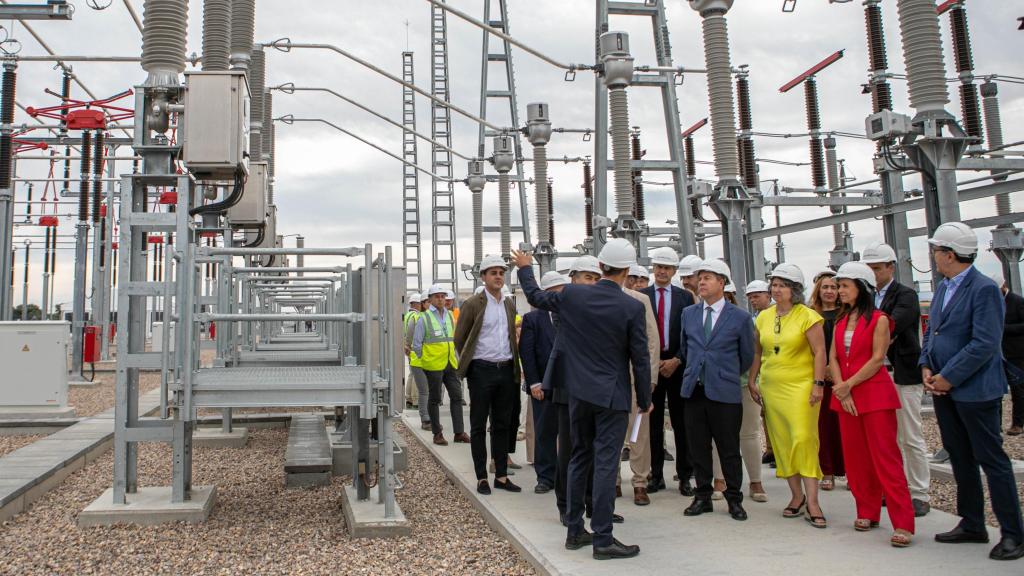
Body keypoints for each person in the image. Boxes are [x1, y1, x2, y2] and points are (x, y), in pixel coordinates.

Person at [513, 240, 653, 560]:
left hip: (578, 393)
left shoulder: (572, 295)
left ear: (600, 267)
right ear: (627, 271)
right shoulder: (632, 307)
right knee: (605, 464)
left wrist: (524, 267)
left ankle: (575, 530)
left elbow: (534, 296)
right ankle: (603, 538)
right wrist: (644, 398)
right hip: (613, 396)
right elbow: (640, 358)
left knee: (578, 458)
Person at [921, 222, 1024, 561]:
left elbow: (984, 343)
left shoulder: (982, 289)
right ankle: (972, 522)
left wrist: (948, 376)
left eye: (937, 250)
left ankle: (1013, 534)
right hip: (945, 390)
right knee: (960, 455)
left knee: (992, 459)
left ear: (949, 254)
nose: (934, 256)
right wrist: (927, 366)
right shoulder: (945, 287)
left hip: (975, 391)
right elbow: (932, 334)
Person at [830, 262, 915, 548]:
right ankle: (866, 510)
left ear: (862, 288)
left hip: (873, 395)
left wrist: (847, 385)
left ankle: (903, 522)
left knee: (885, 458)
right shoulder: (841, 322)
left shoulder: (879, 319)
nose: (839, 291)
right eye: (839, 285)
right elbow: (833, 358)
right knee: (856, 459)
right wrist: (842, 389)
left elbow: (877, 358)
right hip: (846, 397)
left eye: (845, 286)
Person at [749, 263, 829, 529]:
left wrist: (818, 384)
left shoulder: (808, 316)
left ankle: (814, 501)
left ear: (794, 290)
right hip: (772, 386)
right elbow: (758, 352)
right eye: (774, 285)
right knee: (782, 441)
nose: (776, 289)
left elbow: (820, 352)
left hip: (801, 386)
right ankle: (797, 497)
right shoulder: (763, 317)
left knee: (803, 439)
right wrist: (752, 379)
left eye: (782, 285)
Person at [676, 259, 754, 522]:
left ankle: (734, 498)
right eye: (700, 279)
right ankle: (703, 496)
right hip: (695, 390)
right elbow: (686, 349)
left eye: (707, 278)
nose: (701, 283)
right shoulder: (689, 314)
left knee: (729, 447)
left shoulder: (740, 317)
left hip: (724, 391)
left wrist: (723, 372)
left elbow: (746, 356)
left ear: (722, 282)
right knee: (698, 447)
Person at [546, 256, 617, 526]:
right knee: (570, 450)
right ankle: (566, 505)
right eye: (587, 278)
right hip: (569, 387)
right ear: (573, 280)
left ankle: (594, 505)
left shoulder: (600, 307)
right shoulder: (567, 307)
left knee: (597, 450)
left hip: (596, 389)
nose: (592, 283)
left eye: (596, 278)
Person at [862, 241, 931, 517]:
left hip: (902, 372)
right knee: (883, 436)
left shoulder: (906, 295)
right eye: (869, 268)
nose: (873, 273)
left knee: (909, 434)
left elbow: (893, 323)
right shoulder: (865, 297)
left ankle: (919, 492)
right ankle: (893, 488)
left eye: (877, 268)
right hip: (874, 374)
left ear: (891, 267)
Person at [453, 255, 522, 495]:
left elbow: (511, 337)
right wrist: (472, 363)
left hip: (505, 369)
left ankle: (501, 476)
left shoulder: (508, 304)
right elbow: (459, 339)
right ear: (483, 277)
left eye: (501, 273)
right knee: (479, 425)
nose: (498, 277)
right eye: (493, 273)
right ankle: (482, 477)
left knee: (502, 424)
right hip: (481, 370)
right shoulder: (473, 304)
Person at [642, 247, 696, 496]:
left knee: (681, 423)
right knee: (652, 424)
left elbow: (691, 335)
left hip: (677, 365)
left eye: (667, 267)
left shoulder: (685, 298)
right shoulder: (642, 296)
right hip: (652, 366)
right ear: (653, 269)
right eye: (658, 267)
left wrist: (677, 359)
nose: (662, 271)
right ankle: (655, 475)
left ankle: (685, 476)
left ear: (674, 271)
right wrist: (653, 363)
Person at [711, 285, 768, 503]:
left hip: (743, 384)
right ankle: (719, 479)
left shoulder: (743, 320)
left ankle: (755, 481)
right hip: (717, 385)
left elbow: (753, 352)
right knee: (718, 436)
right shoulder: (705, 320)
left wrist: (751, 379)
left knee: (749, 432)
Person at [521, 271, 567, 493]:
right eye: (554, 292)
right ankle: (546, 477)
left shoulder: (571, 315)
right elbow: (527, 354)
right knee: (545, 432)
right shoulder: (533, 320)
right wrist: (534, 383)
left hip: (568, 385)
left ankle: (565, 476)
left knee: (568, 432)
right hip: (543, 388)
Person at [619, 268, 661, 506]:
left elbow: (651, 341)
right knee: (610, 430)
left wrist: (650, 377)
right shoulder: (599, 299)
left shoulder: (640, 300)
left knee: (639, 431)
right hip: (610, 378)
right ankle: (613, 480)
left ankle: (640, 482)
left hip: (636, 377)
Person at [412, 284, 469, 447]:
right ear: (429, 300)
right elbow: (417, 344)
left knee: (457, 396)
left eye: (443, 296)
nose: (441, 299)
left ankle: (459, 432)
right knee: (435, 398)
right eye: (437, 296)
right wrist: (426, 360)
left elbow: (453, 339)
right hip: (433, 365)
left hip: (450, 363)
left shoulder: (450, 316)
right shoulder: (424, 318)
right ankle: (437, 433)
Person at [810, 269, 845, 492]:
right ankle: (827, 471)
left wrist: (836, 369)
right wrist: (822, 371)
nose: (830, 291)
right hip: (819, 378)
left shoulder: (847, 315)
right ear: (818, 291)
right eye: (825, 287)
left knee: (845, 426)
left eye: (834, 287)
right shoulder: (812, 315)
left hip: (844, 378)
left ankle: (849, 469)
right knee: (823, 426)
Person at [745, 279, 776, 468]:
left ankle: (780, 452)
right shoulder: (755, 318)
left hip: (775, 369)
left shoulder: (775, 316)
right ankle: (772, 449)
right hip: (762, 369)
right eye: (750, 297)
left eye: (756, 296)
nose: (753, 300)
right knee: (766, 412)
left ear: (768, 295)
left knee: (777, 413)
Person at [1000, 281, 1024, 436]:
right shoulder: (992, 302)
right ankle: (996, 425)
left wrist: (1003, 328)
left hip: (1016, 353)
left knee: (1018, 390)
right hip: (998, 353)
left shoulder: (1017, 301)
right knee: (996, 389)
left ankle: (1018, 423)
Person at [404, 293, 431, 430]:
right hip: (417, 353)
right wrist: (409, 345)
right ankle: (415, 401)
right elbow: (410, 332)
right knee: (421, 385)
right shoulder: (416, 316)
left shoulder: (408, 315)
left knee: (411, 376)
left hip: (412, 350)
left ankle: (409, 398)